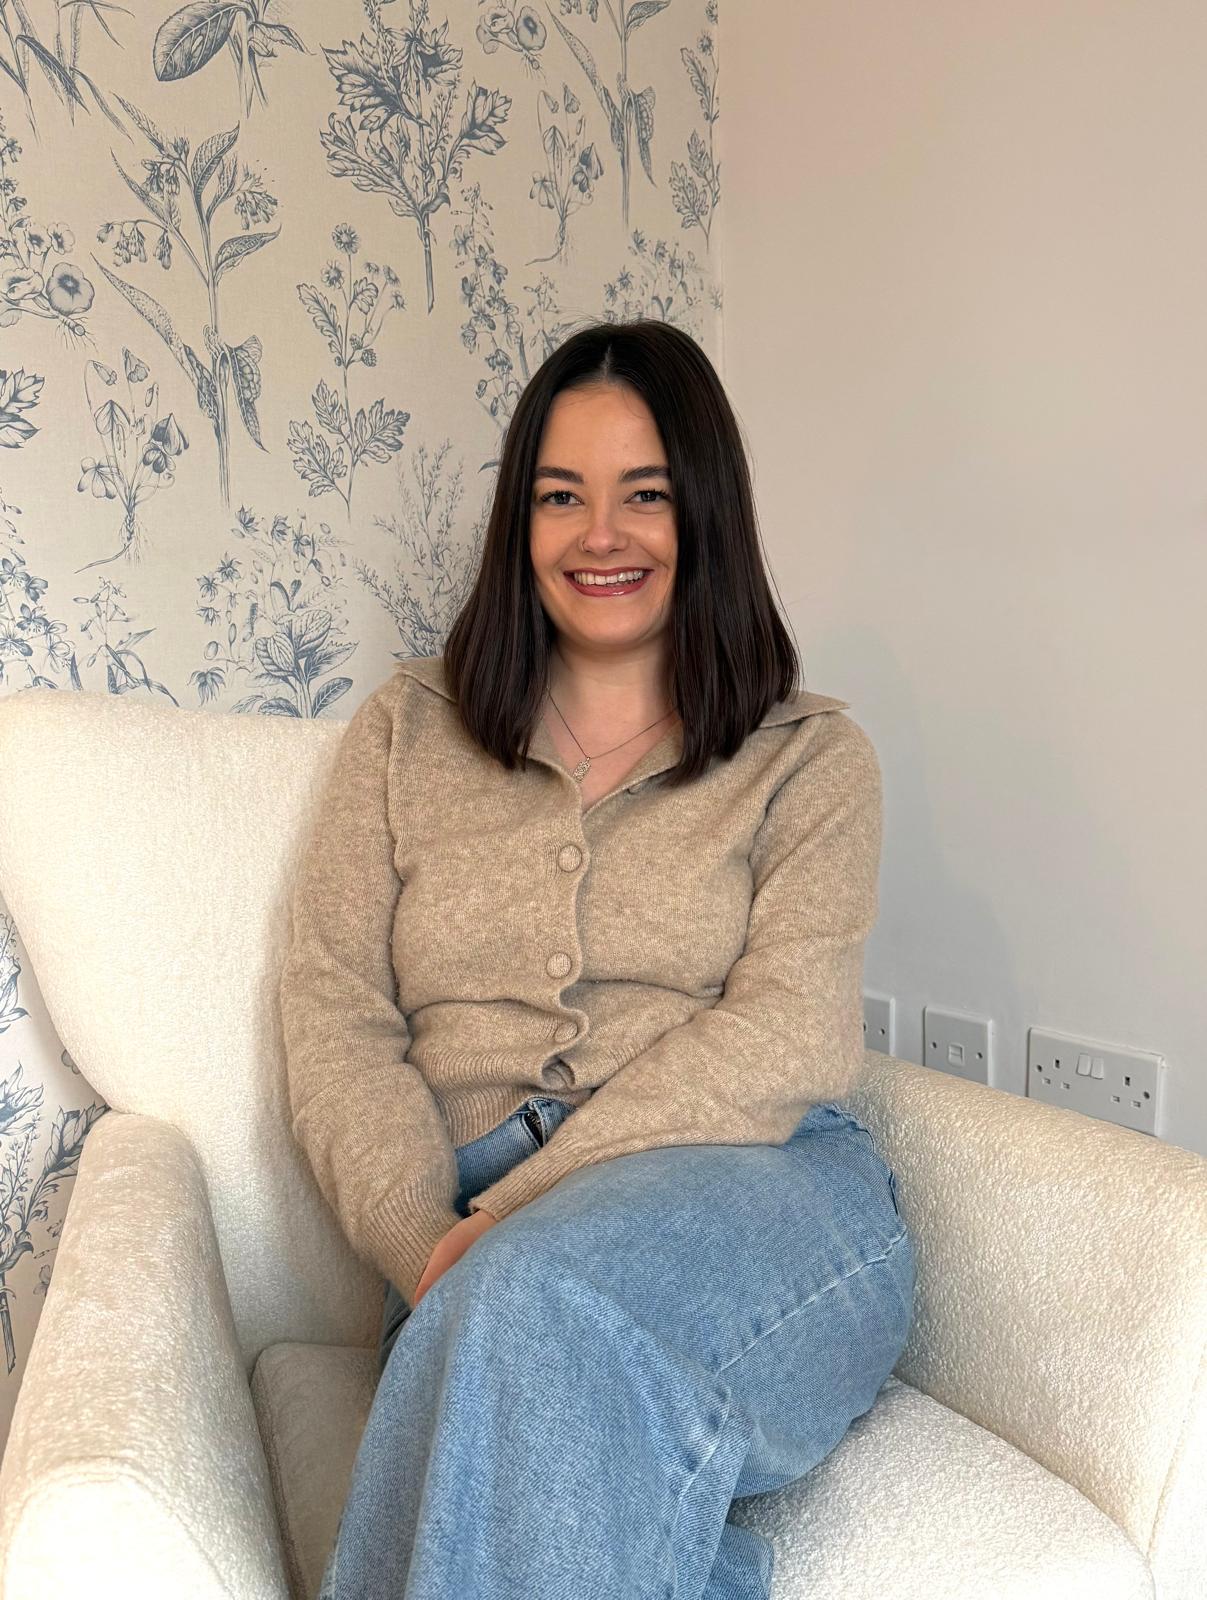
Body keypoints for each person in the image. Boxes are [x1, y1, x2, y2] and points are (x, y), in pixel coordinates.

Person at [279, 318, 915, 1600]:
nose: (599, 535)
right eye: (561, 496)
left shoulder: (810, 761)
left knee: (526, 1313)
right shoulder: (406, 732)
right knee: (536, 1352)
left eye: (645, 495)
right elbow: (333, 1015)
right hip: (462, 1244)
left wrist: (501, 1226)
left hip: (759, 1199)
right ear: (521, 522)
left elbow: (789, 1036)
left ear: (707, 516)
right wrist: (421, 1237)